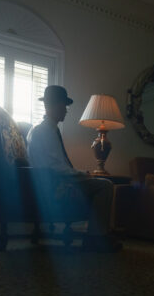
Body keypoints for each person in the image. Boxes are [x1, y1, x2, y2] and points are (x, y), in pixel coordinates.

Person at [27, 85, 122, 252]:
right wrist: (82, 174)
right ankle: (95, 237)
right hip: (54, 185)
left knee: (99, 183)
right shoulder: (44, 132)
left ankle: (98, 233)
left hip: (54, 180)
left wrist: (80, 174)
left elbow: (56, 164)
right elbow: (55, 168)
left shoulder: (46, 130)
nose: (66, 110)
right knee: (105, 185)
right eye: (64, 106)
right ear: (55, 105)